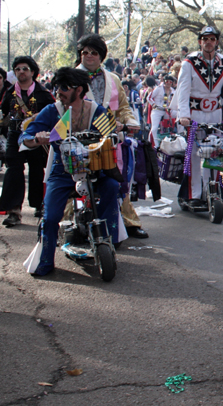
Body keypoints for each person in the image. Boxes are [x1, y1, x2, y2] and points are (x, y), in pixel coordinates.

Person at [20, 67, 122, 276]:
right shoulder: (52, 111)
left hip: (94, 170)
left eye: (65, 87)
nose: (60, 91)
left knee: (112, 186)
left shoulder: (96, 111)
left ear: (80, 89)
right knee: (50, 217)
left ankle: (106, 240)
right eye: (58, 86)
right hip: (62, 171)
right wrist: (36, 138)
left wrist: (117, 132)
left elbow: (112, 134)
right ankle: (45, 261)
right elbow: (26, 136)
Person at [76, 34, 146, 239]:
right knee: (75, 183)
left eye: (94, 52)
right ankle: (71, 222)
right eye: (85, 52)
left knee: (118, 180)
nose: (89, 56)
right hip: (80, 141)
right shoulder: (70, 77)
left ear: (102, 56)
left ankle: (127, 221)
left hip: (109, 141)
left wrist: (130, 122)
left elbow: (123, 108)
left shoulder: (113, 79)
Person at [174, 26, 223, 206]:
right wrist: (183, 115)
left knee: (215, 153)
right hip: (194, 114)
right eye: (205, 39)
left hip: (216, 115)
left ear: (217, 42)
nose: (208, 42)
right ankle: (194, 194)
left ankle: (212, 190)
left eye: (212, 39)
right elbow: (183, 90)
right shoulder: (189, 62)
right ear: (200, 42)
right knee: (195, 155)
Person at [0, 56, 55, 225]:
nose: (21, 72)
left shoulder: (44, 94)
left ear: (32, 72)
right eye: (17, 69)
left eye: (24, 68)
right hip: (14, 135)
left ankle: (39, 205)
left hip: (36, 137)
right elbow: (4, 113)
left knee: (37, 169)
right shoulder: (8, 93)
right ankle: (13, 211)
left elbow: (54, 114)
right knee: (13, 170)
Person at [147, 75, 176, 148]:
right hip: (157, 110)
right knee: (154, 128)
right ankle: (154, 145)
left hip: (167, 111)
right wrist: (153, 104)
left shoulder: (173, 91)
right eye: (167, 82)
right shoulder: (158, 88)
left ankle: (179, 135)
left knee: (179, 115)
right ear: (164, 82)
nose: (168, 84)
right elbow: (149, 97)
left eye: (170, 82)